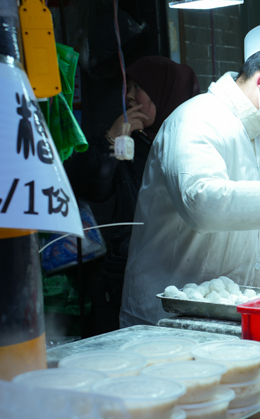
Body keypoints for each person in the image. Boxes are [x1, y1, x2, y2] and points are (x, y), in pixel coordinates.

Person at [120, 23, 260, 328]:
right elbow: (203, 204)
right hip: (169, 316)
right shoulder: (197, 119)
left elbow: (250, 216)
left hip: (226, 311)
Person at [66, 56, 200, 325]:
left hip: (190, 265)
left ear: (164, 90)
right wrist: (111, 140)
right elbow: (94, 188)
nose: (128, 95)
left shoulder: (194, 139)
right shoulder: (129, 140)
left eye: (138, 87)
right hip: (131, 268)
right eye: (128, 88)